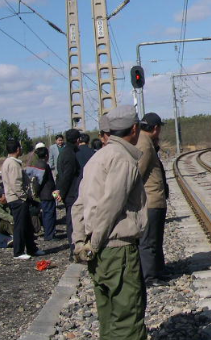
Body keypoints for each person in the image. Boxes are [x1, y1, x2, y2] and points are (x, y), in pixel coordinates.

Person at [72, 105, 147, 340]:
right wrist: (94, 243)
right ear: (134, 129)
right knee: (127, 318)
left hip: (99, 250)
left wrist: (80, 242)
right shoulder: (122, 159)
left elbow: (79, 205)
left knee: (108, 317)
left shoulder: (98, 158)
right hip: (117, 250)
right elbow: (110, 206)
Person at [136, 112, 169, 286]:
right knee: (149, 240)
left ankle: (158, 271)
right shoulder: (144, 144)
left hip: (154, 199)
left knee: (155, 239)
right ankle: (149, 277)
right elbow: (138, 172)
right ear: (155, 128)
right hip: (150, 200)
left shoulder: (146, 142)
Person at [1, 138, 45, 259]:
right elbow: (16, 184)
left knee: (27, 225)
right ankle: (18, 251)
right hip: (17, 199)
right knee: (20, 225)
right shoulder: (13, 164)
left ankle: (32, 248)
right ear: (17, 149)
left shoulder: (9, 162)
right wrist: (25, 197)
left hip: (16, 198)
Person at [56, 128, 82, 258]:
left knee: (71, 221)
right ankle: (73, 249)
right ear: (78, 140)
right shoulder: (70, 155)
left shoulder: (65, 152)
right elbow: (67, 176)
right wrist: (62, 192)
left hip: (68, 193)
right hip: (71, 193)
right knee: (72, 222)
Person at [28, 144, 59, 242]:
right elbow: (38, 181)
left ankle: (49, 233)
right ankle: (49, 235)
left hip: (47, 193)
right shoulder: (43, 165)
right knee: (49, 214)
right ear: (46, 155)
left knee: (48, 213)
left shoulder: (38, 164)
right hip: (47, 194)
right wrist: (35, 192)